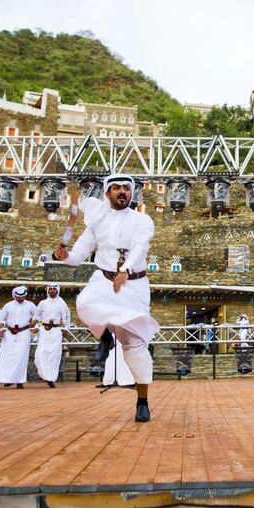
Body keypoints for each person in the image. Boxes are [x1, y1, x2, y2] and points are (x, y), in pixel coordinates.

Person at [54, 174, 159, 422]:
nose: (122, 191)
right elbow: (79, 255)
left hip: (133, 285)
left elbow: (140, 247)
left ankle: (142, 400)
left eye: (126, 188)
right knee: (84, 303)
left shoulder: (143, 220)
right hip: (104, 280)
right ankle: (105, 335)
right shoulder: (97, 222)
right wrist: (64, 255)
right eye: (116, 188)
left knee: (134, 347)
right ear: (107, 193)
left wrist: (125, 271)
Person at [0, 286, 37, 389]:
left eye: (23, 296)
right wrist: (0, 327)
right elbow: (1, 319)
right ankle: (9, 379)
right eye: (18, 297)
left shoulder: (30, 305)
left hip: (24, 333)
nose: (20, 299)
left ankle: (19, 381)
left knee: (21, 357)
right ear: (14, 296)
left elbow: (38, 316)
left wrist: (35, 325)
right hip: (9, 334)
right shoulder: (8, 306)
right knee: (7, 356)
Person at [34, 283, 71, 388]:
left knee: (54, 356)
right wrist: (36, 326)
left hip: (56, 331)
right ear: (47, 291)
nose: (52, 291)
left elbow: (68, 316)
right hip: (44, 331)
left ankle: (51, 379)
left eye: (54, 289)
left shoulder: (62, 303)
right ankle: (44, 374)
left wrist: (66, 328)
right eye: (50, 289)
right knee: (40, 353)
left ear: (58, 291)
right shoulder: (42, 303)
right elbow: (36, 316)